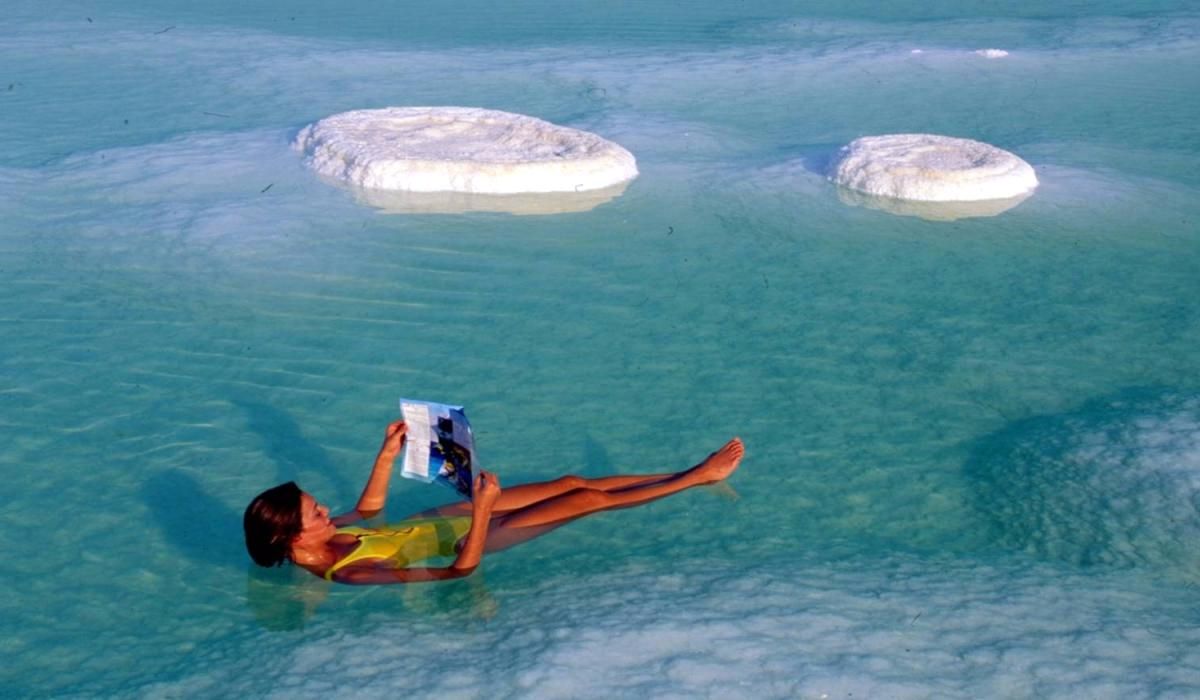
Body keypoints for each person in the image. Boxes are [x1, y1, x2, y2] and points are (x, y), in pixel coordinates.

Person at [244, 418, 745, 584]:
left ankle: (682, 473)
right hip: (472, 539)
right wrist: (484, 509)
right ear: (293, 538)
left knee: (569, 481)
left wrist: (387, 453)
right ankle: (698, 477)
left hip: (434, 520)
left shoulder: (327, 534)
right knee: (587, 498)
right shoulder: (351, 573)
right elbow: (456, 573)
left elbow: (369, 511)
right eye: (315, 513)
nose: (326, 511)